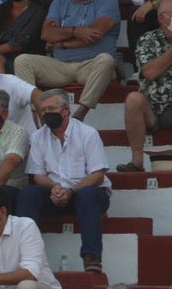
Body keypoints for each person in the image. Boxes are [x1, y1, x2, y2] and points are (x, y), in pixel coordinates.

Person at [15, 0, 121, 120]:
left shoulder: (108, 1)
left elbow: (94, 35)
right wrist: (75, 31)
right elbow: (46, 34)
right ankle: (38, 112)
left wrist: (61, 43)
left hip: (90, 66)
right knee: (22, 61)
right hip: (60, 65)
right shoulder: (60, 2)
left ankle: (80, 113)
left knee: (106, 60)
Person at [19, 88, 112, 273]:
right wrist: (55, 188)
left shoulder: (88, 133)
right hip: (55, 193)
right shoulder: (38, 137)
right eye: (42, 110)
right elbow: (37, 176)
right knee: (28, 193)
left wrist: (71, 191)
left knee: (88, 194)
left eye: (50, 109)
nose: (46, 114)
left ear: (65, 110)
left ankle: (91, 256)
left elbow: (97, 174)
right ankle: (25, 255)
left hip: (86, 193)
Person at [119, 0, 172, 172]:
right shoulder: (147, 40)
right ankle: (136, 162)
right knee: (133, 99)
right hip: (154, 109)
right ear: (162, 17)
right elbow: (149, 73)